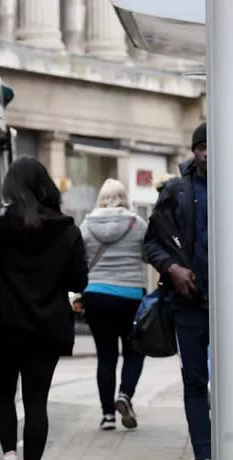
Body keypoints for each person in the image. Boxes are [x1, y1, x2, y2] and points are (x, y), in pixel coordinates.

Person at [0, 156, 88, 460]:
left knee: (2, 394)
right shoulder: (68, 229)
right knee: (36, 400)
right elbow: (78, 280)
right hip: (48, 325)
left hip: (5, 323)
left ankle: (10, 456)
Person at [144, 122, 212, 460]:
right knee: (194, 381)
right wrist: (173, 269)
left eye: (212, 146)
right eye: (201, 147)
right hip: (188, 305)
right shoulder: (176, 191)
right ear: (194, 151)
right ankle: (207, 458)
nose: (207, 154)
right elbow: (151, 243)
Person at [79, 179, 148, 431]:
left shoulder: (86, 225)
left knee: (105, 356)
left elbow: (80, 257)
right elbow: (147, 255)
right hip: (130, 295)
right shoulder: (136, 224)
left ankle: (107, 416)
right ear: (124, 197)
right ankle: (125, 395)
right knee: (134, 351)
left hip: (96, 295)